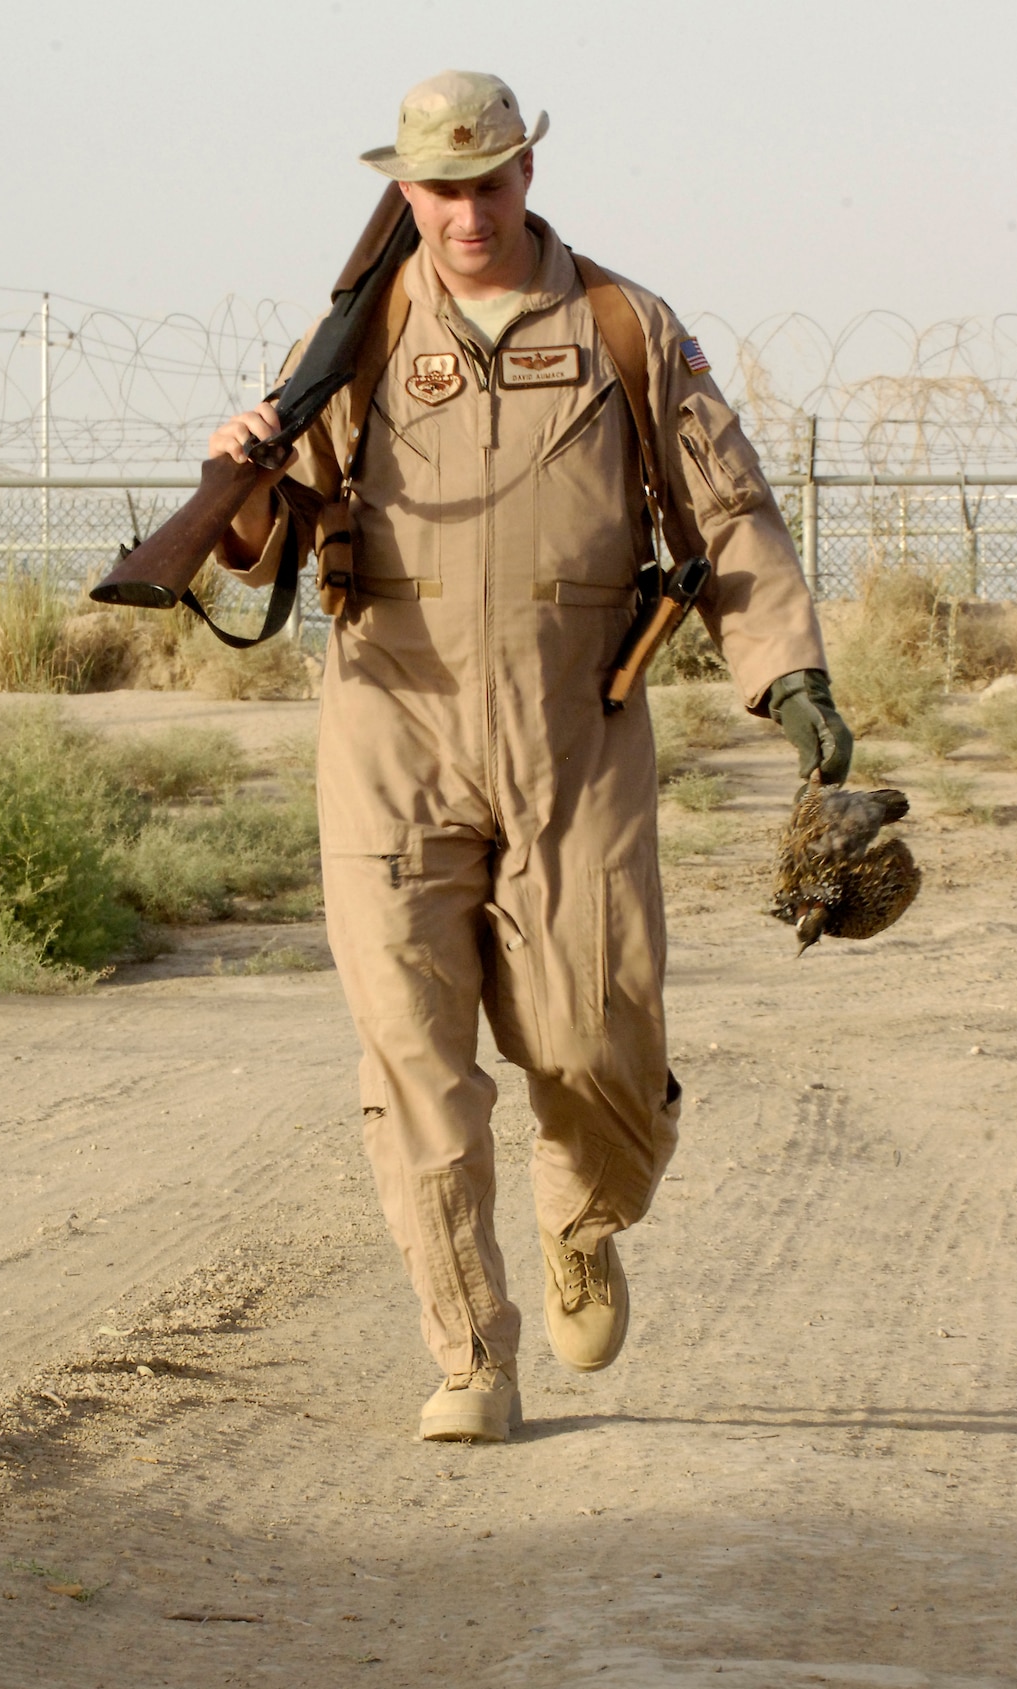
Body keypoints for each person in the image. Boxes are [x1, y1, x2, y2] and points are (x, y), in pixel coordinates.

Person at [208, 70, 853, 1444]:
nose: (464, 213)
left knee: (593, 1030)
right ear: (403, 191)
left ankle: (585, 1219)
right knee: (413, 1061)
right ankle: (469, 1355)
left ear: (526, 176)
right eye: (437, 189)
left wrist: (787, 677)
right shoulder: (358, 334)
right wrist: (243, 471)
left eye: (486, 182)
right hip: (394, 722)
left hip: (578, 727)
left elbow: (726, 514)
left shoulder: (623, 325)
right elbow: (260, 532)